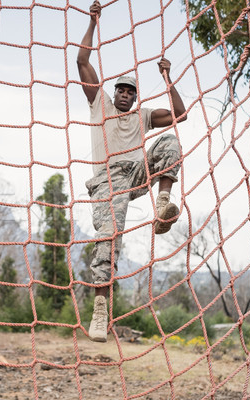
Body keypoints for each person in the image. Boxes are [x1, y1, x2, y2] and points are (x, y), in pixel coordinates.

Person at [77, 0, 188, 342]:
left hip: (138, 171)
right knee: (110, 238)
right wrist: (93, 22)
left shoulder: (143, 116)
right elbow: (82, 61)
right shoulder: (101, 104)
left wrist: (167, 77)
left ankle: (163, 203)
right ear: (113, 93)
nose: (125, 95)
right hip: (108, 179)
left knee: (170, 141)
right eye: (121, 90)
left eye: (130, 92)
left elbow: (180, 114)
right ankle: (100, 311)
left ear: (135, 97)